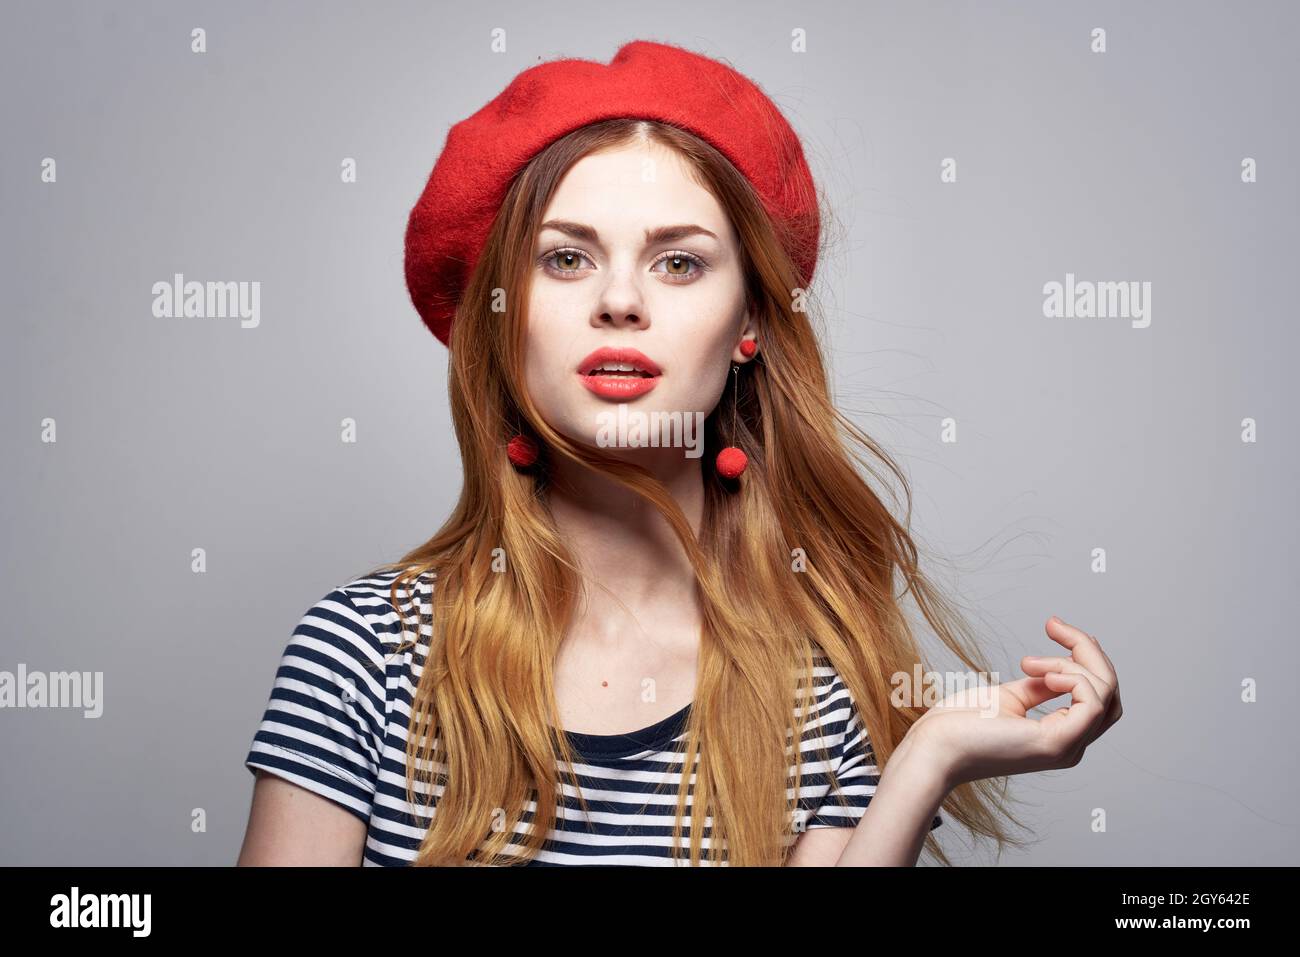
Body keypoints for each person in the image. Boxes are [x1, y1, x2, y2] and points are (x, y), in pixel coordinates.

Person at [237, 40, 1122, 867]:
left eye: (680, 264)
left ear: (750, 324)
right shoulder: (365, 655)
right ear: (503, 323)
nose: (620, 300)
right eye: (567, 258)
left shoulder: (828, 692)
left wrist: (928, 759)